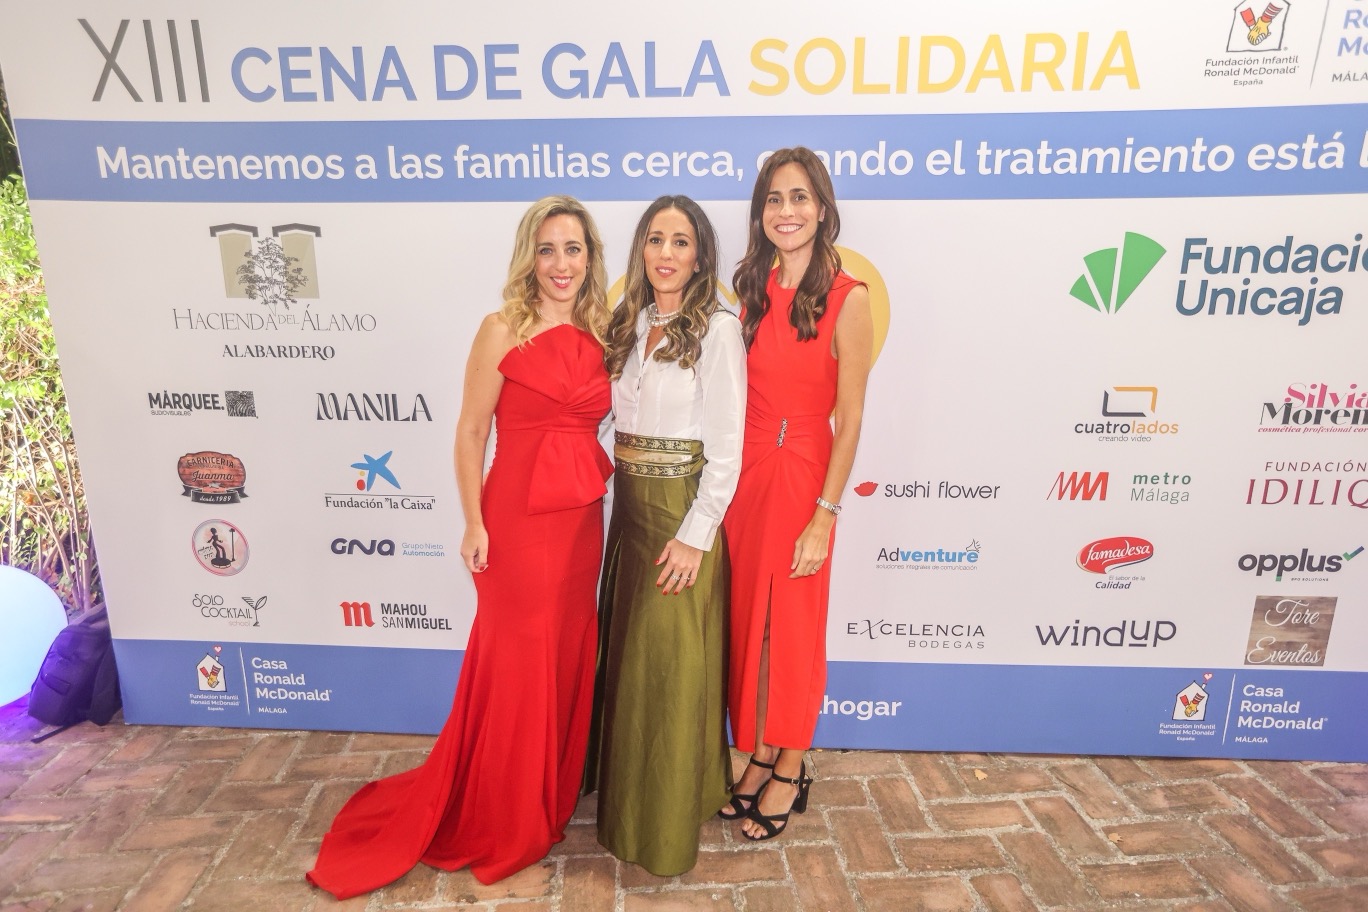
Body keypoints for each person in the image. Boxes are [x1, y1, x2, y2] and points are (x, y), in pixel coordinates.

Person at [307, 196, 613, 897]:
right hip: (516, 522)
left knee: (562, 657)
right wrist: (474, 522)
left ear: (590, 258)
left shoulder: (603, 333)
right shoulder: (502, 328)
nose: (561, 263)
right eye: (547, 249)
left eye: (573, 249)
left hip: (579, 525)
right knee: (517, 664)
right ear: (528, 257)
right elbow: (472, 431)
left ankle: (544, 800)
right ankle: (505, 816)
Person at [584, 196, 746, 875]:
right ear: (641, 250)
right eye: (656, 239)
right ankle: (627, 801)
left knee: (671, 671)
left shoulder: (719, 330)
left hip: (680, 513)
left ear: (700, 255)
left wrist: (695, 534)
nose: (666, 253)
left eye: (681, 241)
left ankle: (662, 824)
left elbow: (728, 450)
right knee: (632, 666)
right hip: (628, 514)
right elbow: (607, 425)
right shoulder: (629, 323)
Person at [722, 148, 873, 841]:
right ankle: (759, 750)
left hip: (804, 471)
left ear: (823, 208)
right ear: (761, 212)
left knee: (795, 629)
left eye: (800, 197)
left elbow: (852, 419)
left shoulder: (848, 298)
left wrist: (824, 516)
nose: (787, 211)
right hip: (747, 473)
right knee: (751, 623)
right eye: (774, 199)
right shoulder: (751, 291)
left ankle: (790, 764)